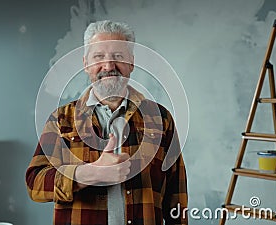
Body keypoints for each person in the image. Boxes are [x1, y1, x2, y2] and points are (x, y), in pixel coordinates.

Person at [26, 20, 188, 225]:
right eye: (99, 56)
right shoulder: (61, 119)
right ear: (86, 64)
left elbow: (177, 196)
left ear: (131, 63)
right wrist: (88, 173)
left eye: (118, 56)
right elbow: (34, 184)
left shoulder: (160, 119)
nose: (109, 66)